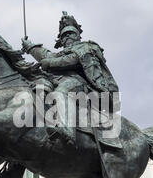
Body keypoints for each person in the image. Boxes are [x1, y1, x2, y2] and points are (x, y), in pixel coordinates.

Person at [22, 11, 119, 146]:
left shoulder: (87, 47)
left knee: (61, 93)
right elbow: (47, 55)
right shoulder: (61, 53)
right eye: (64, 35)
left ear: (78, 35)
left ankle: (67, 130)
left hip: (83, 85)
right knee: (36, 87)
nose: (67, 36)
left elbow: (71, 60)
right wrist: (30, 47)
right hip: (59, 79)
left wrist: (49, 63)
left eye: (70, 33)